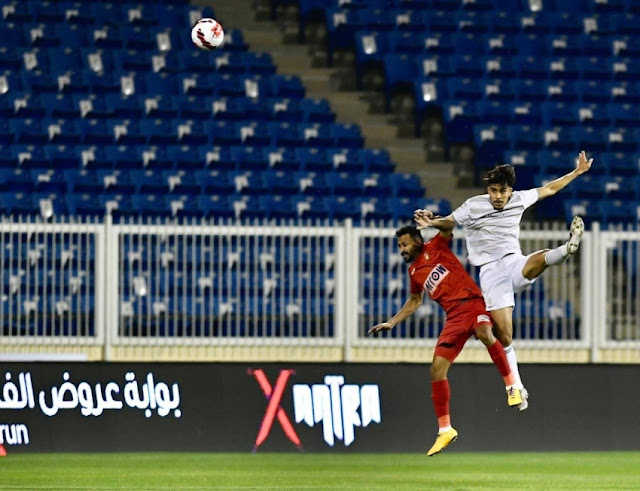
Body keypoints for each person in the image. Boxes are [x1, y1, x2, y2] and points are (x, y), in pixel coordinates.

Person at [414, 150, 593, 412]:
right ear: (488, 189)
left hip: (513, 261)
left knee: (536, 261)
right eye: (493, 190)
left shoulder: (519, 199)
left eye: (502, 191)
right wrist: (432, 222)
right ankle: (517, 387)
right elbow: (450, 222)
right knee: (505, 335)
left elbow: (550, 189)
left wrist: (576, 172)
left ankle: (567, 249)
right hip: (491, 273)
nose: (497, 196)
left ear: (511, 190)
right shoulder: (474, 205)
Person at [368, 225, 522, 457]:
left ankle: (512, 386)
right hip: (454, 318)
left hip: (473, 303)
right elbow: (414, 301)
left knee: (484, 333)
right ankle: (445, 430)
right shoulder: (414, 273)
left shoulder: (436, 245)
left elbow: (450, 226)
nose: (402, 250)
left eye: (405, 244)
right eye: (399, 246)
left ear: (418, 242)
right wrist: (392, 322)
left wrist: (432, 222)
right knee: (436, 370)